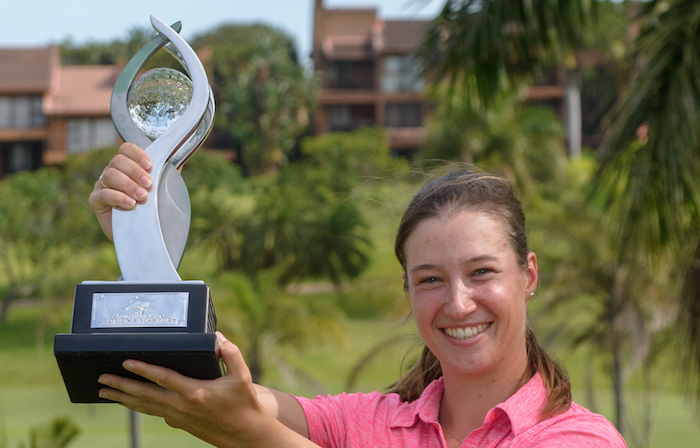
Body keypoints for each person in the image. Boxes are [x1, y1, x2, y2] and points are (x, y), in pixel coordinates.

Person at [89, 143, 627, 448]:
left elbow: (245, 419)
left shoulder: (579, 438)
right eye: (430, 279)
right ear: (408, 290)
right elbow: (228, 394)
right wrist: (143, 246)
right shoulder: (370, 423)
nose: (458, 303)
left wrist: (253, 436)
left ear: (528, 275)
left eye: (482, 272)